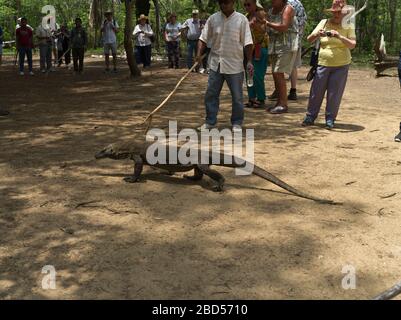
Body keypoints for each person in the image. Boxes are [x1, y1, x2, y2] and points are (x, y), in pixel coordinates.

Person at [196, 0, 253, 132]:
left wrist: (249, 61)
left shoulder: (241, 20)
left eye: (226, 2)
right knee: (211, 94)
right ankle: (210, 121)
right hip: (216, 64)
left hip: (235, 64)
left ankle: (237, 122)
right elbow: (203, 38)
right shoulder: (213, 19)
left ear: (233, 2)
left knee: (237, 97)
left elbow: (248, 42)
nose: (223, 5)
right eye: (221, 3)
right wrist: (199, 54)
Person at [302, 0, 356, 129]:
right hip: (323, 63)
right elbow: (309, 39)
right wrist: (317, 34)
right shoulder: (324, 22)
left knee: (334, 93)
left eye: (339, 12)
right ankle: (310, 116)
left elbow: (352, 45)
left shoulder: (348, 25)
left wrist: (339, 37)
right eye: (334, 12)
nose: (336, 14)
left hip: (341, 64)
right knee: (316, 91)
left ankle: (330, 119)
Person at [265, 0, 298, 114]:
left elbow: (284, 26)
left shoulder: (288, 9)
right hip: (274, 46)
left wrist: (267, 23)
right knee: (275, 73)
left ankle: (283, 104)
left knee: (278, 72)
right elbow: (268, 29)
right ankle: (279, 102)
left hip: (286, 46)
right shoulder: (271, 11)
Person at [243, 0, 269, 109]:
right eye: (245, 5)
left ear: (255, 4)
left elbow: (264, 29)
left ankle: (261, 98)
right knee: (249, 74)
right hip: (249, 49)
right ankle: (251, 98)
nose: (247, 7)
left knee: (257, 75)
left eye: (249, 4)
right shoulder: (245, 16)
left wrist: (255, 26)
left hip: (259, 47)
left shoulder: (261, 14)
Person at [287, 0, 307, 100]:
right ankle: (293, 90)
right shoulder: (299, 4)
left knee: (279, 67)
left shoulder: (286, 3)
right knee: (293, 66)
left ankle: (279, 91)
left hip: (286, 40)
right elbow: (303, 22)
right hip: (296, 40)